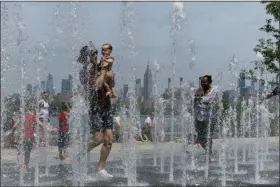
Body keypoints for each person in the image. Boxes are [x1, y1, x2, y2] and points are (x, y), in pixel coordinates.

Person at [78, 43, 115, 180]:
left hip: (107, 107)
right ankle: (81, 152)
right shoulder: (85, 72)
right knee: (98, 139)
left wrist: (111, 85)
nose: (95, 56)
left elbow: (109, 80)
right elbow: (96, 85)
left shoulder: (101, 66)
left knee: (109, 140)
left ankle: (101, 169)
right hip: (95, 110)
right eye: (92, 54)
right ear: (86, 58)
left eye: (95, 53)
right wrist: (104, 74)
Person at [194, 75, 218, 155]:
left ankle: (209, 152)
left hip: (209, 119)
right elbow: (194, 104)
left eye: (205, 82)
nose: (203, 83)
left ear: (209, 82)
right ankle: (208, 151)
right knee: (199, 137)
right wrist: (196, 97)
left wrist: (210, 105)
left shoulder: (213, 92)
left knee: (208, 136)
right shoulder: (199, 91)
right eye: (202, 82)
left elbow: (216, 105)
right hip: (199, 118)